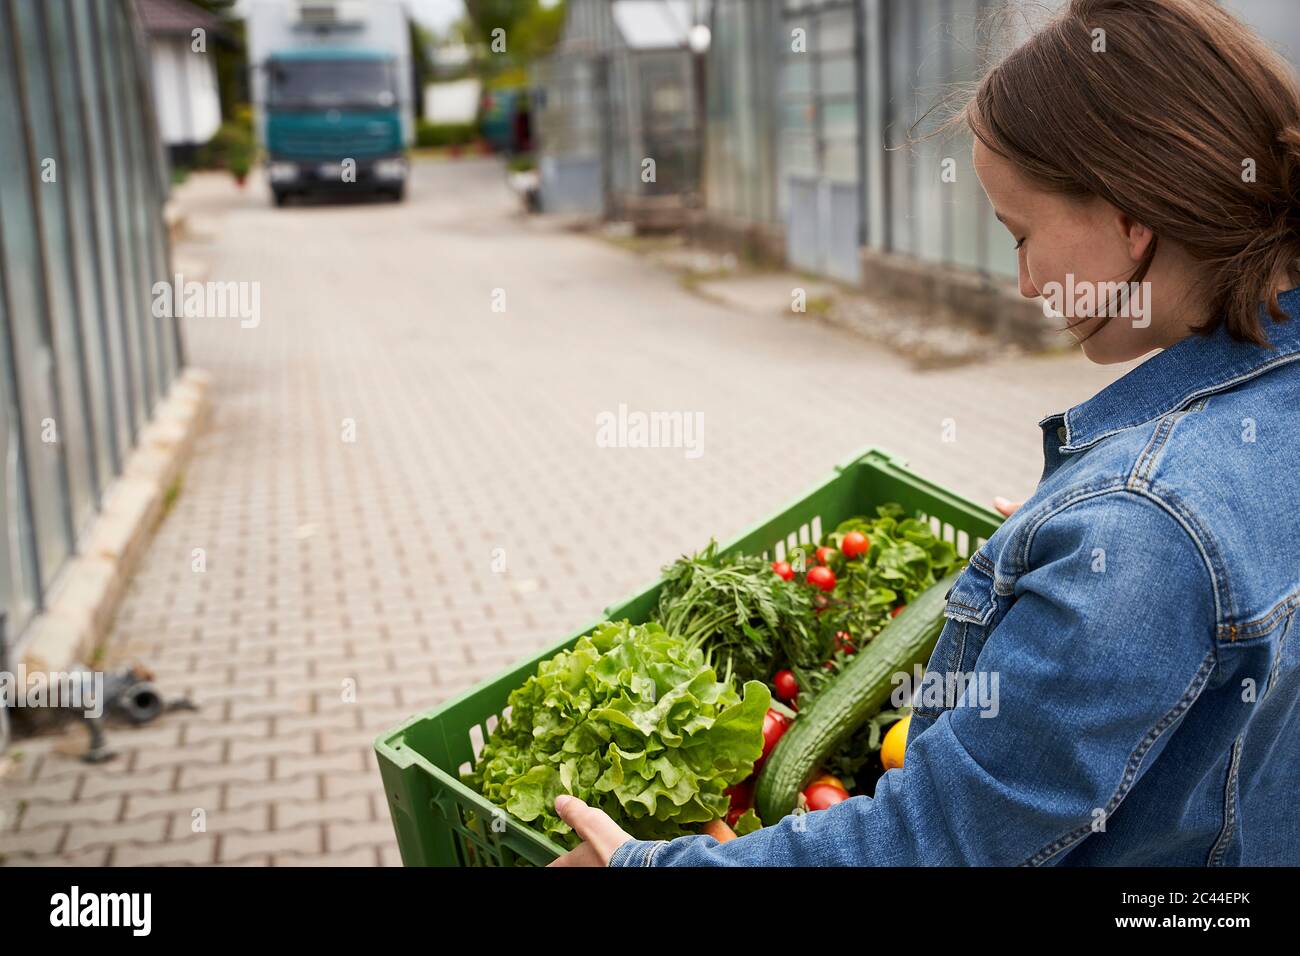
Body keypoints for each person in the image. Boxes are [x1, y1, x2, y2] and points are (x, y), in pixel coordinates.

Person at [548, 0, 1300, 867]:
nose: (1021, 282)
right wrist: (1100, 566)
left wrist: (648, 865)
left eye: (1021, 234)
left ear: (1133, 215)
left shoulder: (1149, 523)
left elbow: (936, 843)